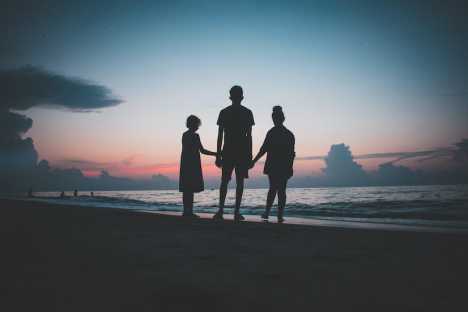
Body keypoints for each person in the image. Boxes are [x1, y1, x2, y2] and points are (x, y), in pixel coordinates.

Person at [213, 86, 255, 221]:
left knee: (225, 181)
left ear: (230, 97)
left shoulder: (224, 112)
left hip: (229, 151)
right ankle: (235, 212)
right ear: (242, 97)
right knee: (239, 182)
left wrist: (218, 154)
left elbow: (220, 135)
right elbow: (249, 137)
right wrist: (250, 155)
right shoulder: (247, 112)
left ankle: (221, 210)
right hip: (241, 152)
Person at [251, 106, 295, 223]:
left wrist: (254, 161)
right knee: (281, 190)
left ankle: (268, 212)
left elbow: (263, 149)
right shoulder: (288, 134)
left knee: (274, 189)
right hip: (282, 165)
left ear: (276, 119)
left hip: (276, 165)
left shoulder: (274, 133)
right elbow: (291, 154)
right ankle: (278, 214)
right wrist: (290, 167)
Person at [179, 115, 217, 217]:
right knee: (190, 189)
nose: (198, 126)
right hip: (192, 163)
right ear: (194, 124)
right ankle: (189, 212)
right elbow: (202, 150)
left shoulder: (184, 135)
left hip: (185, 163)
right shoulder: (195, 136)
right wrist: (216, 154)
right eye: (197, 124)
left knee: (186, 189)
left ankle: (186, 211)